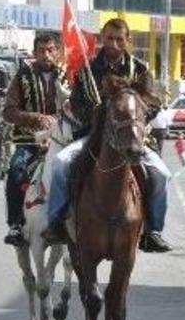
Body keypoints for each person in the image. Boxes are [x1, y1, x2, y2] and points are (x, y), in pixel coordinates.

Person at [43, 18, 173, 253]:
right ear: (102, 38)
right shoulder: (88, 70)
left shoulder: (140, 69)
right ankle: (56, 222)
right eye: (109, 38)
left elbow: (153, 103)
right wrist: (101, 112)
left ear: (127, 41)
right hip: (94, 137)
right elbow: (77, 104)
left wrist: (133, 114)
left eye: (119, 39)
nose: (113, 44)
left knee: (162, 174)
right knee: (60, 164)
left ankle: (153, 231)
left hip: (131, 138)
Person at [2, 34, 62, 247]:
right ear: (35, 52)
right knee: (16, 170)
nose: (46, 55)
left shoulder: (67, 76)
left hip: (61, 141)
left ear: (57, 52)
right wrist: (36, 119)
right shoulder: (22, 76)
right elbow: (8, 112)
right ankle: (16, 223)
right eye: (42, 50)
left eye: (51, 50)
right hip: (30, 142)